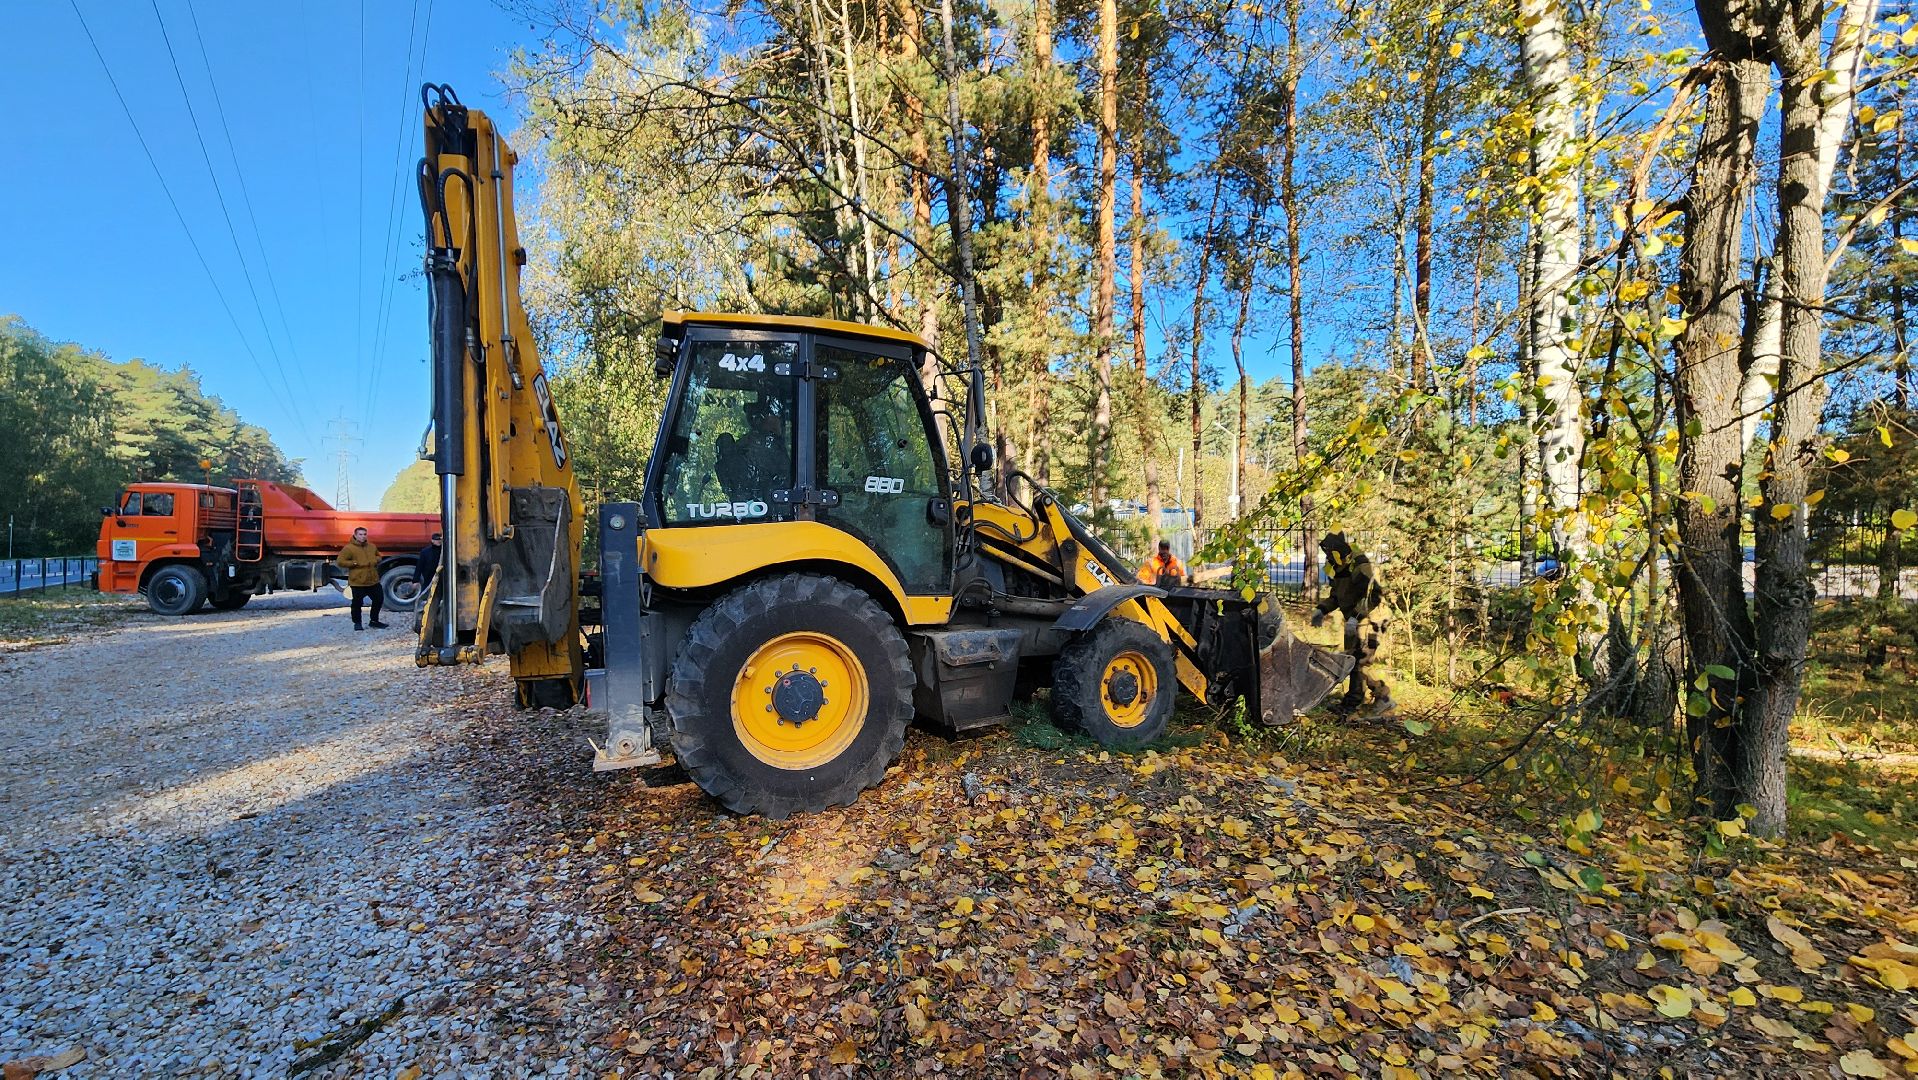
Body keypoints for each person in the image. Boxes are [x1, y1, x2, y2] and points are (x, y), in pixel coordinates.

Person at [1310, 531, 1395, 717]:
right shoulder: (1335, 565)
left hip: (1372, 617)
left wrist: (1356, 616)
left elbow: (1373, 596)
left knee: (1359, 661)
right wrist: (1322, 609)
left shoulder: (1360, 565)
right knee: (1350, 659)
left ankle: (1367, 701)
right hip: (1354, 618)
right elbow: (1338, 594)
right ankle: (1360, 699)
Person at [336, 527, 388, 630]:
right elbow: (340, 561)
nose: (363, 536)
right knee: (357, 603)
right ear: (355, 535)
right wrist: (354, 563)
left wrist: (375, 560)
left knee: (379, 599)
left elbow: (379, 556)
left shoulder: (372, 546)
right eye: (360, 534)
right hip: (358, 582)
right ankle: (357, 623)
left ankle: (374, 621)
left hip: (373, 580)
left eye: (364, 534)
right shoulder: (349, 548)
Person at [415, 532, 443, 599]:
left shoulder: (444, 551)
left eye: (440, 540)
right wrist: (415, 580)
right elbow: (419, 566)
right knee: (426, 594)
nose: (438, 541)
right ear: (432, 541)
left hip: (442, 577)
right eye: (436, 540)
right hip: (429, 577)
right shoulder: (425, 551)